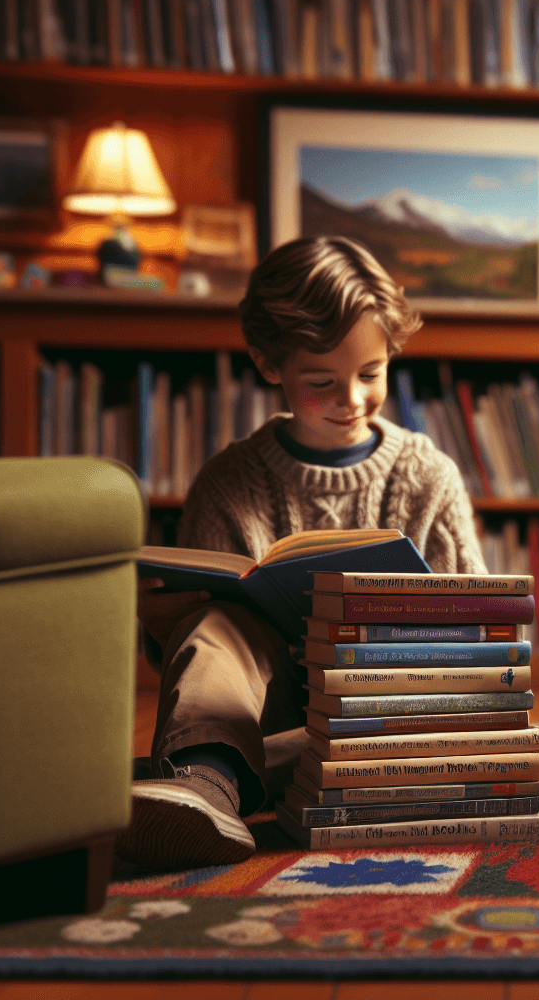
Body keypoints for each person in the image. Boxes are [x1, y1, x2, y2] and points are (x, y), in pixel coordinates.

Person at [118, 235, 488, 870]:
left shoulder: (429, 476)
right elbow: (196, 648)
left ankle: (231, 780)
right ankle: (205, 783)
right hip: (265, 718)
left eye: (371, 375)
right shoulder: (229, 483)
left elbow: (483, 635)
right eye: (322, 381)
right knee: (218, 626)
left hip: (393, 716)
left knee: (445, 712)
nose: (352, 400)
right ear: (269, 364)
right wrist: (162, 622)